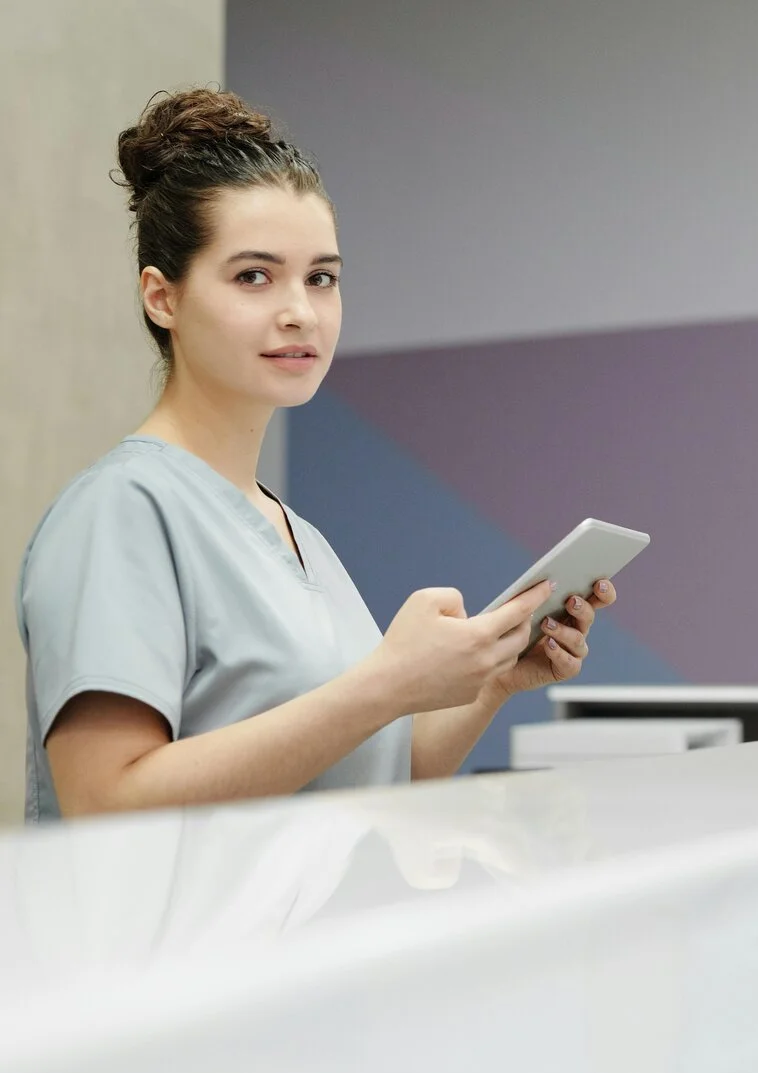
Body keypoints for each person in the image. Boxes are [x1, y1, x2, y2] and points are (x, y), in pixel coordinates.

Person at [16, 89, 616, 821]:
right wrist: (384, 685)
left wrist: (487, 679)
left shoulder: (299, 537)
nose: (300, 309)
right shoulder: (120, 512)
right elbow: (105, 803)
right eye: (253, 276)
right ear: (161, 297)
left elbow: (370, 777)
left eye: (321, 277)